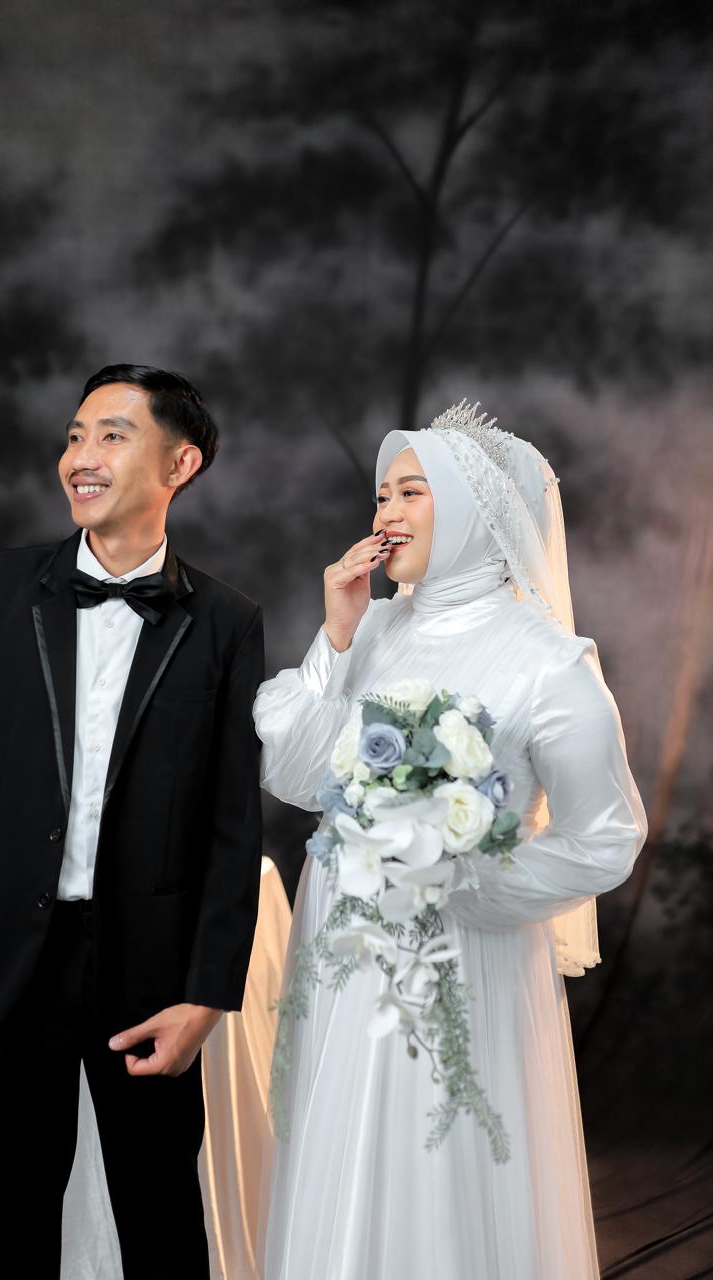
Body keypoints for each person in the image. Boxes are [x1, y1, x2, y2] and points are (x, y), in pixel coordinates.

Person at [253, 403, 647, 1279]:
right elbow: (291, 773)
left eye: (411, 492)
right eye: (380, 495)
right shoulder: (372, 628)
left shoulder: (546, 660)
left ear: (472, 509)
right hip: (343, 947)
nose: (385, 512)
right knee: (339, 1158)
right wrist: (336, 634)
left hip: (462, 956)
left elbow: (605, 837)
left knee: (439, 1172)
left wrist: (462, 879)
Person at [0, 364, 264, 1279]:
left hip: (151, 971)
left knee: (163, 1225)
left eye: (111, 435)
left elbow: (232, 826)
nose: (80, 457)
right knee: (10, 1225)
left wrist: (209, 995)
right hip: (5, 964)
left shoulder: (227, 623)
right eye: (74, 436)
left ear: (179, 463)